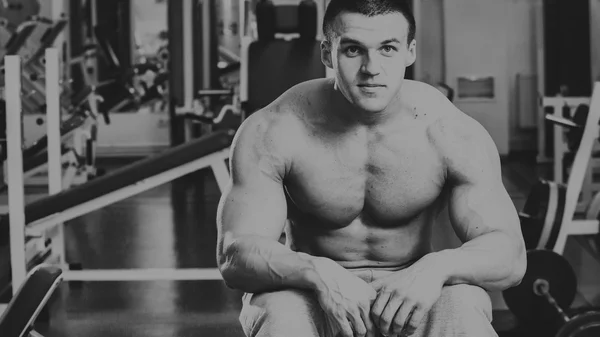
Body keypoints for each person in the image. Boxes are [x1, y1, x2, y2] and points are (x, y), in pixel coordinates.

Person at [216, 0, 527, 336]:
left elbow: (510, 256)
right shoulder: (273, 130)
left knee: (462, 303)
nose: (371, 68)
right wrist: (318, 272)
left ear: (410, 52)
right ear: (326, 53)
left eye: (388, 49)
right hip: (312, 292)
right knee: (278, 310)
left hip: (411, 291)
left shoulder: (451, 133)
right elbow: (235, 255)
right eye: (353, 50)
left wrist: (437, 267)